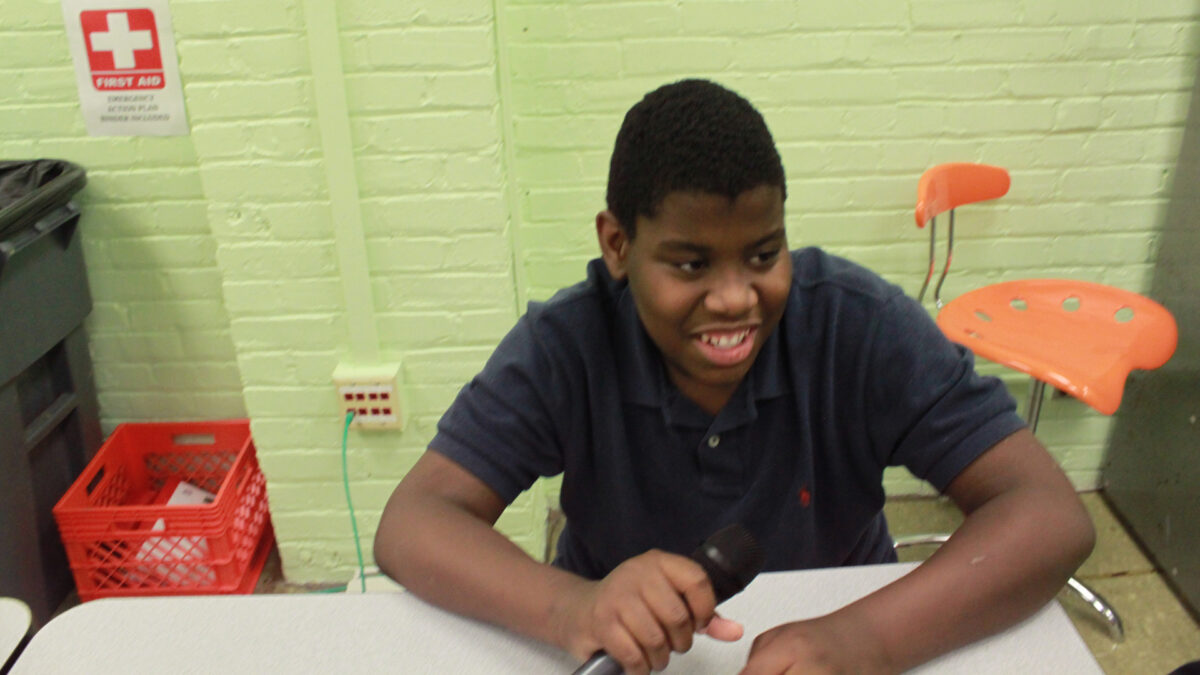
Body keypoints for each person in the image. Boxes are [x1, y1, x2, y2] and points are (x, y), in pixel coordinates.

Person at [374, 78, 1095, 674]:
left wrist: (862, 639)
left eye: (762, 253)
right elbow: (414, 523)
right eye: (690, 264)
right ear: (618, 244)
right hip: (626, 645)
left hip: (840, 621)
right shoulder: (567, 344)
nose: (734, 297)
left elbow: (1049, 514)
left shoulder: (858, 323)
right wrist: (575, 606)